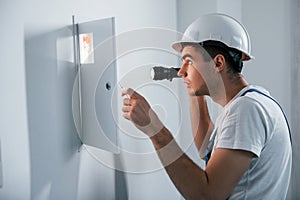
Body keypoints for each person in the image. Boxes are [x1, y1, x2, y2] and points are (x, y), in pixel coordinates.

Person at [121, 13, 292, 199]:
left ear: (218, 63)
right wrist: (194, 88)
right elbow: (206, 149)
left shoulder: (246, 110)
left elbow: (207, 195)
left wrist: (154, 128)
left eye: (188, 61)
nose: (181, 71)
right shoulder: (252, 102)